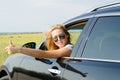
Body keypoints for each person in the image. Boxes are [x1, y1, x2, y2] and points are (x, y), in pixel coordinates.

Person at [5, 24, 73, 59]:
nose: (59, 39)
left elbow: (44, 54)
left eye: (61, 36)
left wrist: (18, 49)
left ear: (67, 35)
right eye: (55, 38)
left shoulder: (69, 48)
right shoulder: (60, 49)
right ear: (52, 40)